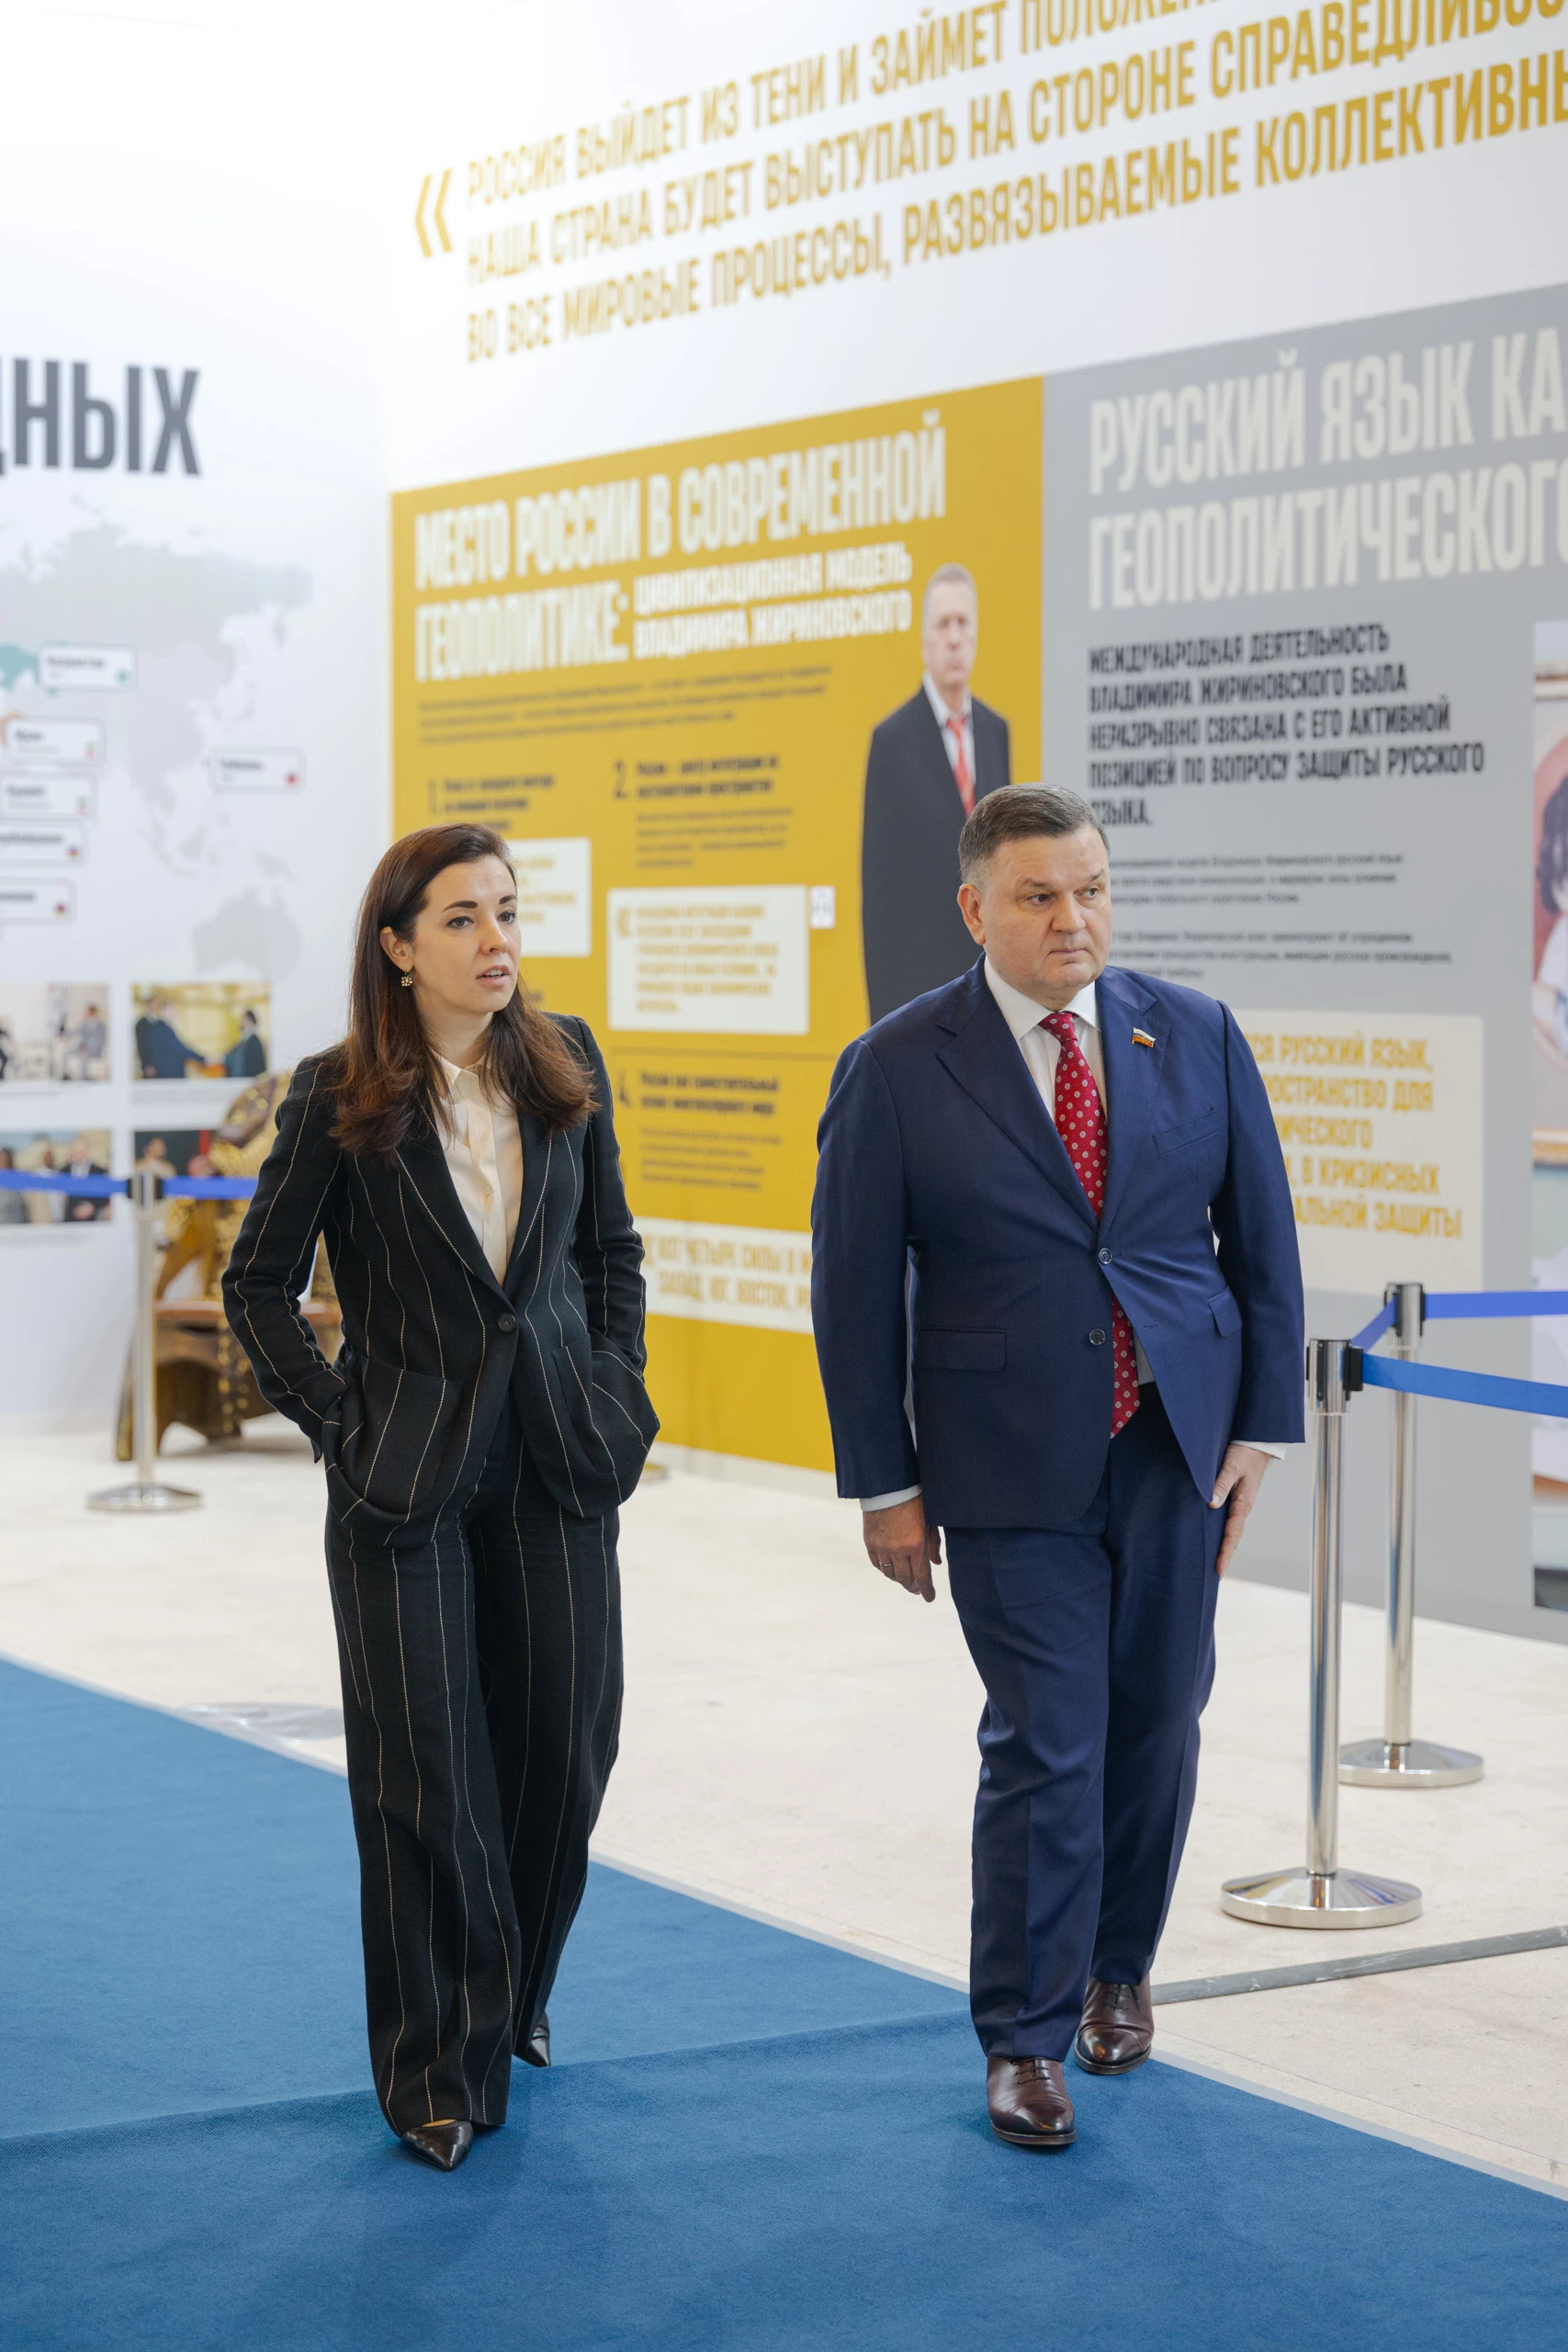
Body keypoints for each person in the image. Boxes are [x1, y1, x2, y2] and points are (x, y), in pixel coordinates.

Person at [811, 785, 1303, 2154]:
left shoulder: (1192, 1032)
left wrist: (1257, 1427)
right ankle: (1023, 2037)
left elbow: (1259, 1239)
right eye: (1038, 896)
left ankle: (1117, 1969)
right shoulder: (897, 1064)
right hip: (1002, 1458)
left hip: (1172, 1444)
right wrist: (884, 1484)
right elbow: (851, 1293)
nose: (1071, 918)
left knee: (1159, 1717)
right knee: (1047, 1737)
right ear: (975, 908)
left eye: (1090, 889)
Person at [223, 822, 657, 2173]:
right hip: (403, 1480)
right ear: (399, 948)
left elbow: (610, 1253)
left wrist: (615, 1389)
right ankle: (435, 2073)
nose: (495, 940)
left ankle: (511, 1994)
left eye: (506, 911)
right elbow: (258, 1283)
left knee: (564, 1755)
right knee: (428, 1782)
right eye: (461, 918)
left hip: (558, 1463)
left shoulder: (565, 1061)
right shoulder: (336, 1091)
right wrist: (338, 1422)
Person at [860, 563, 1010, 1023]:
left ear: (977, 635)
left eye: (963, 623)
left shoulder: (995, 732)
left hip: (989, 985)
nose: (954, 638)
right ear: (924, 640)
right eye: (943, 625)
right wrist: (885, 1025)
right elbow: (879, 893)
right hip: (918, 992)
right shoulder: (892, 741)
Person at [135, 995, 205, 1080]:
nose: (175, 1012)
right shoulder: (159, 1028)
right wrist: (204, 1059)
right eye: (172, 1010)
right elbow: (180, 1049)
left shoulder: (164, 1027)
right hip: (167, 1073)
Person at [223, 1007, 266, 1079]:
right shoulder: (243, 1041)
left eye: (244, 1019)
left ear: (251, 1021)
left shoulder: (255, 1042)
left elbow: (258, 1068)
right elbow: (230, 1055)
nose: (241, 1021)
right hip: (238, 1080)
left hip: (249, 1081)